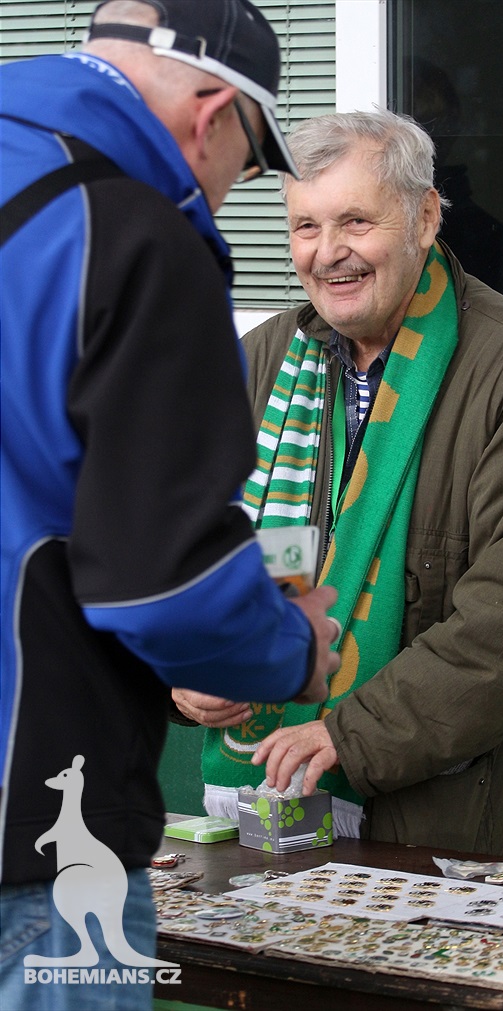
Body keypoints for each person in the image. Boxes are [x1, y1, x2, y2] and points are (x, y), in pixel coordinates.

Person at [0, 2, 340, 1008]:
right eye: (253, 166)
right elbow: (165, 585)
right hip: (35, 831)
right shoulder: (138, 231)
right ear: (214, 115)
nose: (231, 192)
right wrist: (287, 647)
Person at [173, 108, 503, 859]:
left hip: (447, 842)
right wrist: (184, 671)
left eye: (355, 220)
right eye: (305, 227)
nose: (328, 253)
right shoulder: (255, 364)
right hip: (258, 829)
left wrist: (348, 734)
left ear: (424, 217)